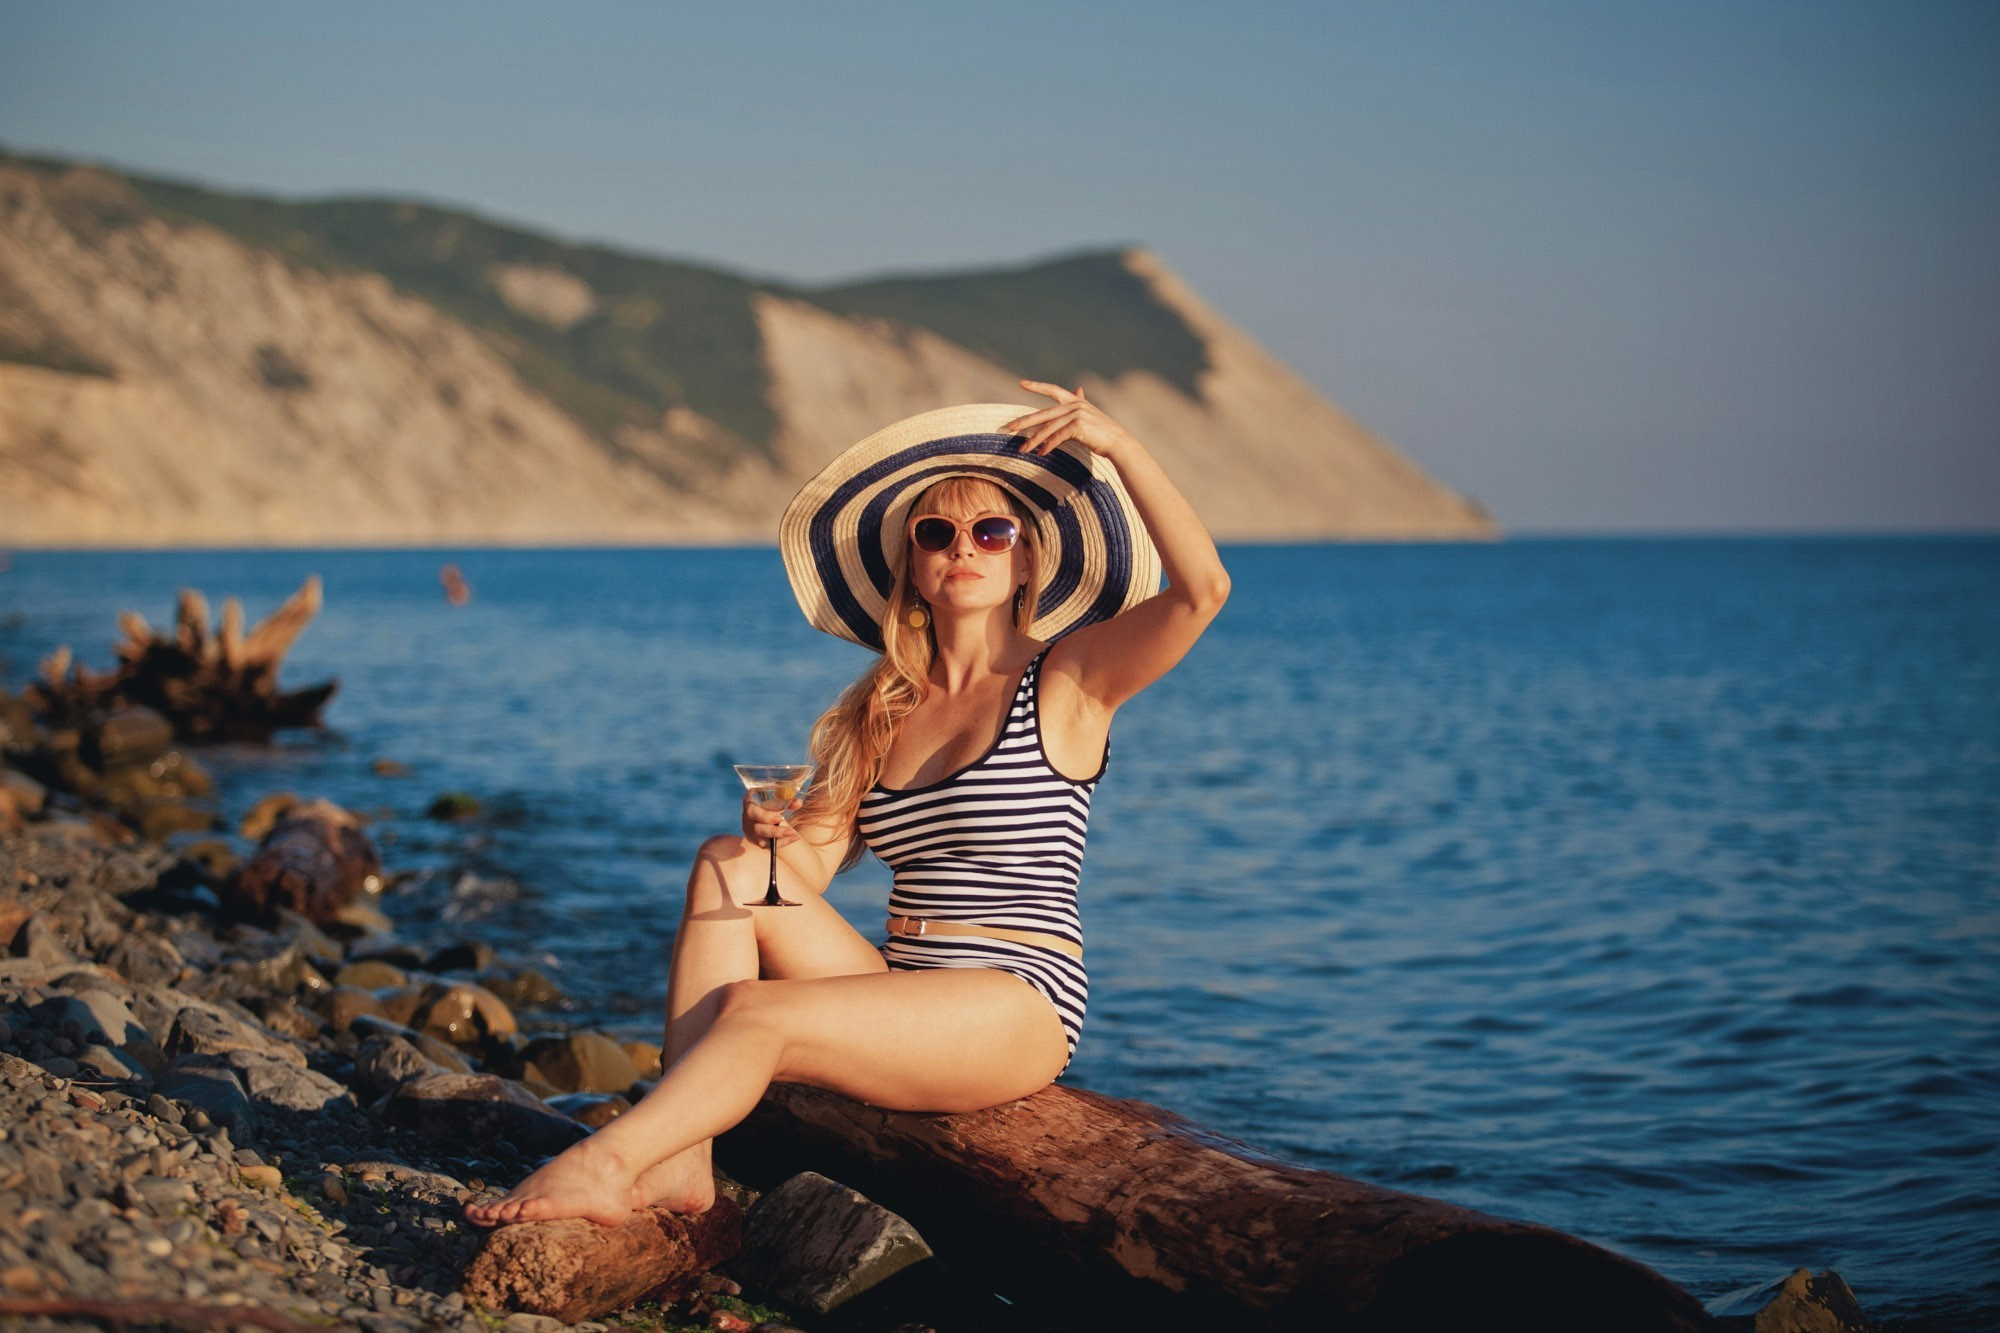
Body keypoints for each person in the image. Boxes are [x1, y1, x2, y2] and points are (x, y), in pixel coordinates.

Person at [466, 381, 1229, 1228]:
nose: (963, 547)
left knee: (757, 1010)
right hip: (901, 980)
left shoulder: (1068, 681)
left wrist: (1119, 446)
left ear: (1025, 558)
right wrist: (770, 841)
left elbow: (1204, 591)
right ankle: (681, 1157)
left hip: (1016, 995)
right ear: (913, 564)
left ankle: (605, 1157)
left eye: (991, 530)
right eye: (936, 533)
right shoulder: (885, 706)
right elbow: (802, 869)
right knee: (727, 860)